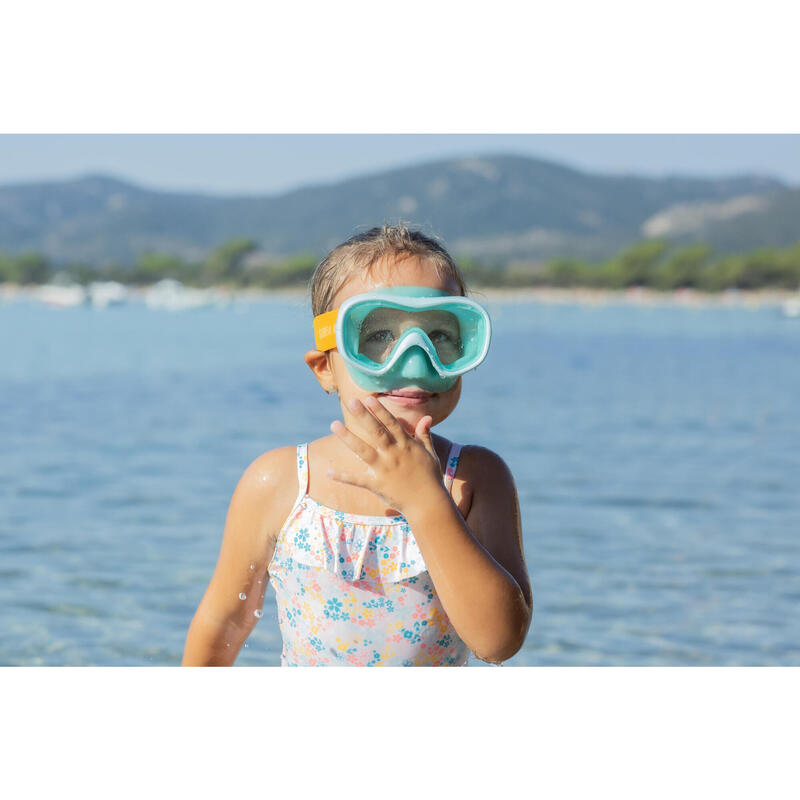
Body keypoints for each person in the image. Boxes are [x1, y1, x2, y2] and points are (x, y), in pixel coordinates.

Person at [182, 224, 532, 666]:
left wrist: (425, 501)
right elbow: (225, 621)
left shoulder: (475, 479)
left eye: (440, 335)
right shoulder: (279, 483)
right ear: (325, 369)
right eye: (378, 336)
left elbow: (498, 642)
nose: (414, 357)